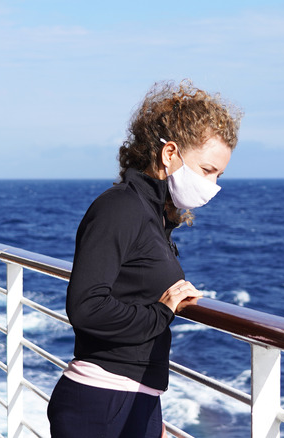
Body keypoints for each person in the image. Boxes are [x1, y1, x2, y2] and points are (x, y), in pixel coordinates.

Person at [47, 80, 242, 438]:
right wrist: (162, 312)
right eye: (207, 170)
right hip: (101, 403)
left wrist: (149, 412)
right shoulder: (120, 207)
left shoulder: (154, 216)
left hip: (131, 399)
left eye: (219, 175)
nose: (213, 185)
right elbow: (86, 307)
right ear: (170, 154)